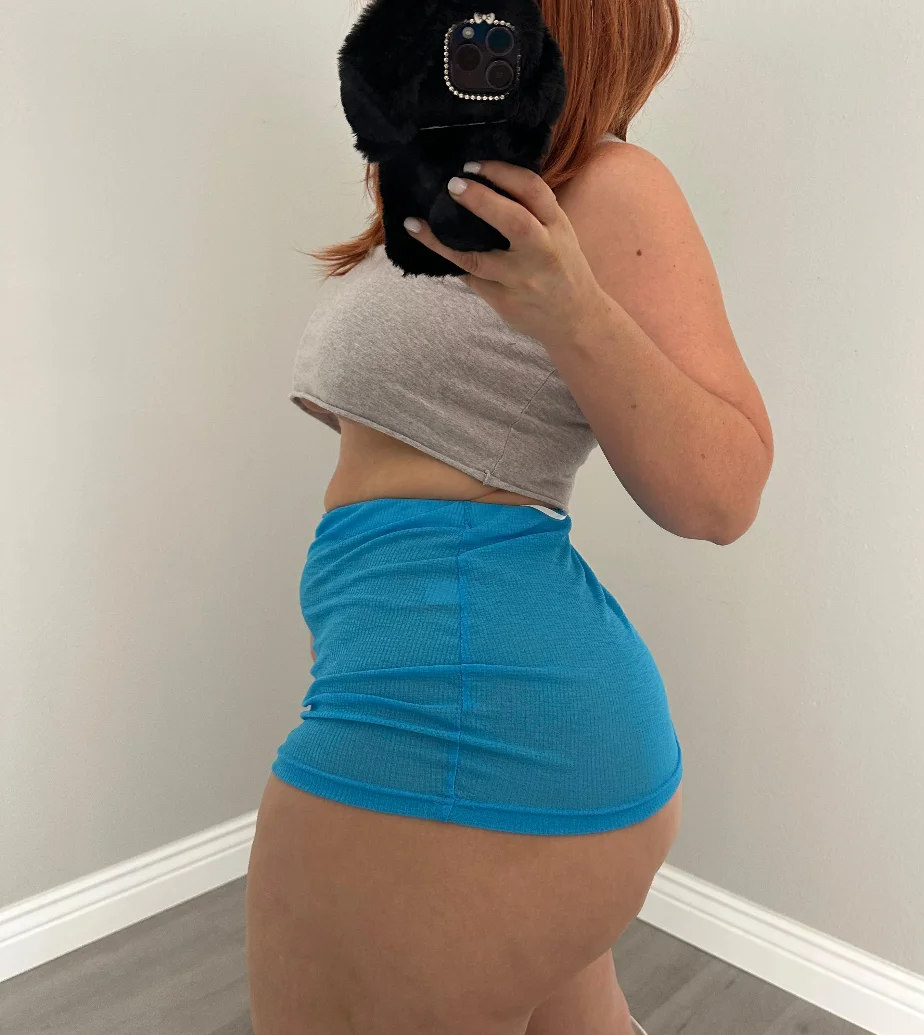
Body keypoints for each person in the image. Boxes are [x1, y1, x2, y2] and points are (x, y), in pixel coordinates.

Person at [245, 1, 775, 1033]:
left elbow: (724, 495)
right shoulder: (444, 197)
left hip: (471, 717)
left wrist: (572, 307)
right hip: (445, 695)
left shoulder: (612, 187)